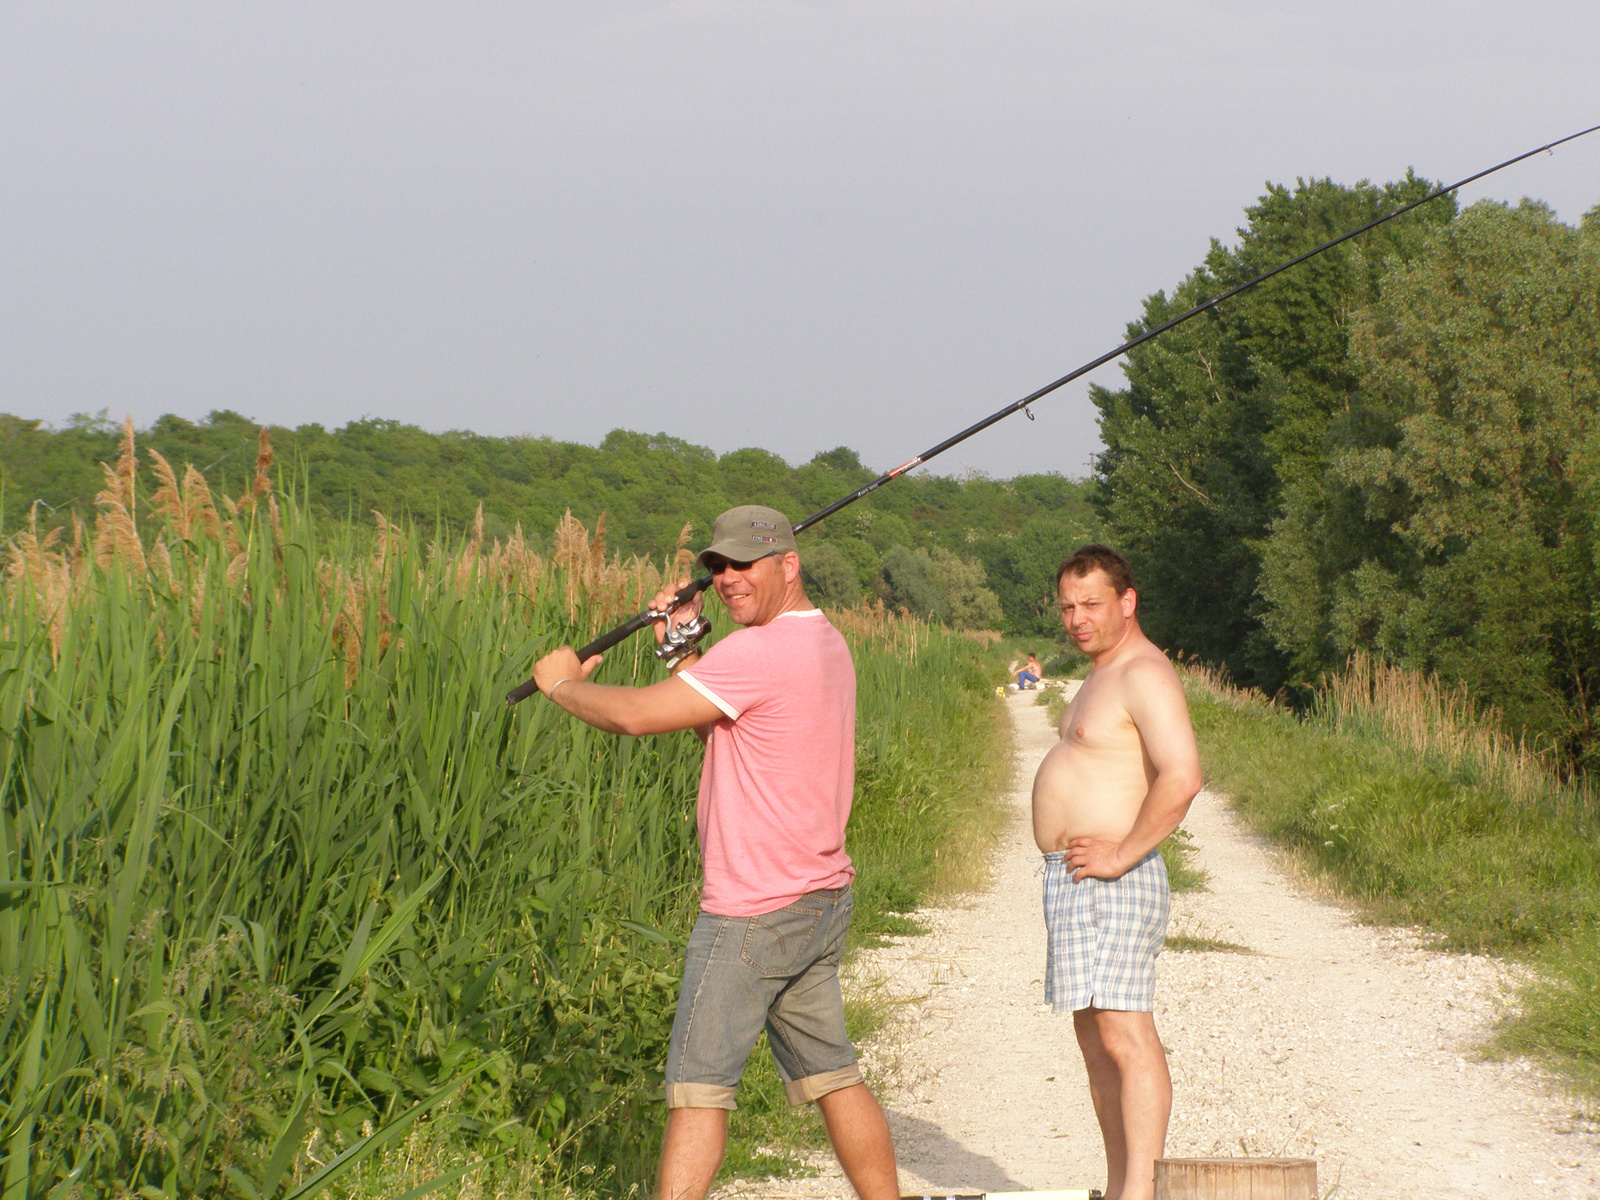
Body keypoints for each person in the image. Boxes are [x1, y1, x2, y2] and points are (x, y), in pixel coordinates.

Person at [530, 504, 899, 1200]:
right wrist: (680, 645)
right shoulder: (823, 642)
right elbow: (729, 731)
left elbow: (638, 717)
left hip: (751, 913)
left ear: (789, 564)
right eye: (718, 567)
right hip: (815, 902)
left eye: (744, 565)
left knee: (698, 1091)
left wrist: (561, 684)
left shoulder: (757, 652)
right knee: (832, 1076)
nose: (728, 580)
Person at [1030, 545, 1202, 1200]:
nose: (1077, 619)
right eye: (1069, 606)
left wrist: (1122, 854)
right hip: (1077, 879)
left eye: (1092, 604)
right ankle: (1118, 1184)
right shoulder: (1101, 673)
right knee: (1094, 1033)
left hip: (1114, 879)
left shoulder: (1142, 673)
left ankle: (1140, 1191)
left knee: (1125, 1031)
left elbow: (1183, 776)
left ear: (1127, 602)